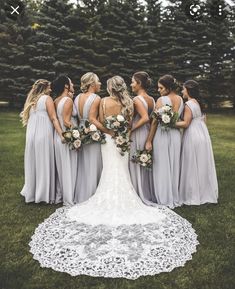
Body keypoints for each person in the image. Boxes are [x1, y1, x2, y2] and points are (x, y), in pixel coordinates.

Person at [29, 76, 198, 279]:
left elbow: (96, 120)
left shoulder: (103, 101)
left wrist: (108, 131)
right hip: (122, 139)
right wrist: (122, 131)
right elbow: (128, 121)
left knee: (110, 170)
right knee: (121, 170)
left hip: (108, 140)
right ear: (122, 87)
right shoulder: (128, 102)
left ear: (109, 88)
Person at [20, 79, 63, 203]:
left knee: (34, 162)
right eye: (49, 87)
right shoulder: (47, 99)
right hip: (43, 134)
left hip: (32, 136)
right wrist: (61, 134)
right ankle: (43, 193)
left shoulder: (32, 100)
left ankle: (33, 191)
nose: (51, 89)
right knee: (44, 161)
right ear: (44, 88)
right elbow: (54, 118)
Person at [175, 80, 218, 205]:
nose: (182, 91)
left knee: (191, 163)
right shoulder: (198, 103)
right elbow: (204, 120)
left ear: (188, 90)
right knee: (201, 163)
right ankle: (204, 191)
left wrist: (170, 123)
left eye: (183, 89)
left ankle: (192, 194)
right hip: (202, 134)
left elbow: (186, 123)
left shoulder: (188, 104)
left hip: (193, 135)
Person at [145, 74, 184, 208]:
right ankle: (173, 195)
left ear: (167, 88)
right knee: (174, 164)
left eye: (161, 88)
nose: (158, 90)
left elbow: (155, 122)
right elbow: (179, 119)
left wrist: (149, 141)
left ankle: (163, 198)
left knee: (161, 165)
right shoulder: (180, 99)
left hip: (162, 134)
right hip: (176, 136)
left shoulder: (162, 100)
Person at [74, 72, 106, 203]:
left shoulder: (77, 97)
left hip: (81, 131)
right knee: (94, 162)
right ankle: (93, 193)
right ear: (92, 84)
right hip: (92, 133)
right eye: (98, 81)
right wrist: (107, 130)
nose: (100, 84)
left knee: (83, 163)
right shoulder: (96, 98)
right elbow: (93, 119)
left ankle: (82, 193)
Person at [129, 71, 156, 202]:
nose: (131, 84)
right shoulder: (152, 100)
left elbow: (145, 118)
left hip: (138, 133)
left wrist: (131, 129)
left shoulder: (136, 99)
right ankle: (144, 191)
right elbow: (151, 121)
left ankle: (136, 192)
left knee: (135, 162)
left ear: (139, 84)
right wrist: (150, 139)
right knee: (143, 161)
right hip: (147, 132)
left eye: (133, 82)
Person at [52, 75, 78, 205]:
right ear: (66, 86)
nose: (73, 84)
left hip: (58, 137)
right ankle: (69, 196)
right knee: (69, 166)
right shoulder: (68, 100)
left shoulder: (56, 100)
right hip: (67, 137)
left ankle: (61, 195)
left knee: (62, 167)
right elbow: (67, 122)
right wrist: (79, 132)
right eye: (71, 82)